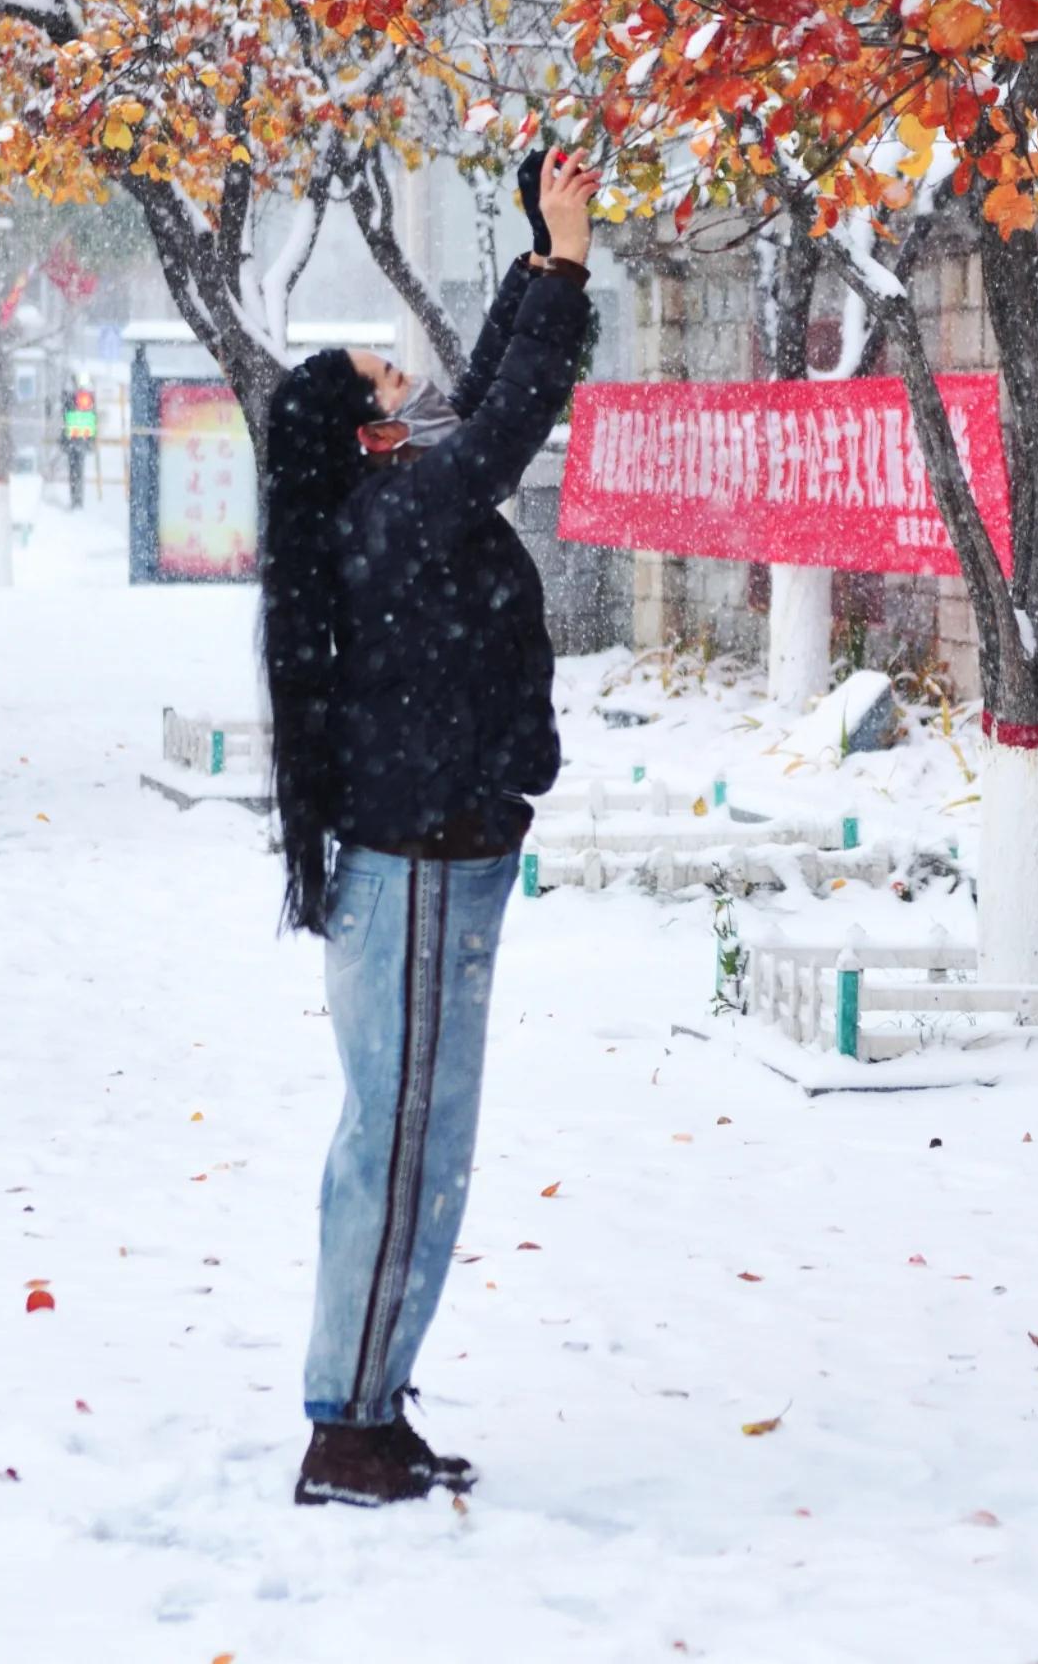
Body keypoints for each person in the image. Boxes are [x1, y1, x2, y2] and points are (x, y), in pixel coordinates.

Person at [258, 148, 597, 1507]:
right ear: (361, 433)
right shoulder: (396, 513)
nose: (408, 383)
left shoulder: (389, 494)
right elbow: (509, 415)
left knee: (421, 1147)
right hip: (416, 871)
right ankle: (342, 1423)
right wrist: (565, 264)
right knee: (397, 1148)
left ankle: (372, 1404)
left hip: (442, 864)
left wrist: (538, 252)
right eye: (382, 383)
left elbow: (485, 391)